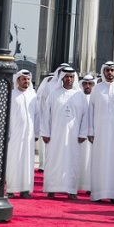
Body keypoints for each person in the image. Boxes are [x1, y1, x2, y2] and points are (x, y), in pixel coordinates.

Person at [41, 68, 87, 197]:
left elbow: (86, 116)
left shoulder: (80, 95)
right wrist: (45, 132)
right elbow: (46, 115)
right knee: (54, 160)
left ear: (74, 78)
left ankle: (71, 190)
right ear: (62, 78)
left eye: (71, 77)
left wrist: (83, 133)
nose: (69, 79)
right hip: (55, 135)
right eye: (66, 76)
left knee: (72, 161)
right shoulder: (54, 94)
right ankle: (51, 188)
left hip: (74, 136)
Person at [88, 61, 114, 203]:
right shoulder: (97, 89)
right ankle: (98, 193)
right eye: (107, 70)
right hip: (100, 132)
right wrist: (90, 130)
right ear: (103, 72)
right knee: (100, 161)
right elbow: (91, 110)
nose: (110, 73)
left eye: (112, 70)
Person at [6, 70, 38, 198]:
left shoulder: (33, 95)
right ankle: (11, 189)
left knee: (27, 162)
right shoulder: (12, 95)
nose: (26, 81)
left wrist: (36, 132)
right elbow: (6, 115)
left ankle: (25, 189)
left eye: (28, 79)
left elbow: (37, 115)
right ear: (17, 80)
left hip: (29, 135)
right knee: (13, 160)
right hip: (14, 134)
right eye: (24, 79)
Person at [77, 74, 95, 194]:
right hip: (80, 136)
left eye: (90, 84)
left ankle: (90, 186)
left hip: (94, 136)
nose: (87, 86)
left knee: (92, 160)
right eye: (85, 84)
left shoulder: (97, 97)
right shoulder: (78, 97)